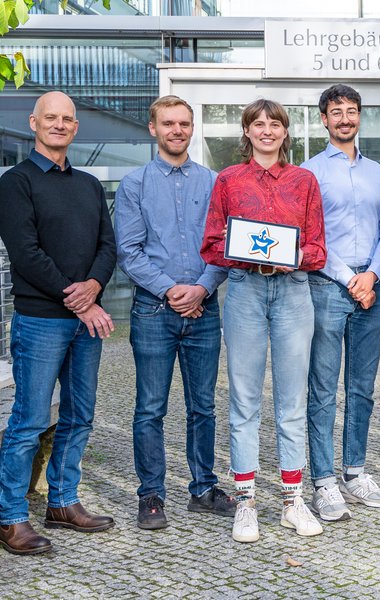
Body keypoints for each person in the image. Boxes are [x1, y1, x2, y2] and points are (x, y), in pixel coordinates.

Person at [200, 99, 327, 543]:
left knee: (292, 401)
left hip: (293, 293)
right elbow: (212, 244)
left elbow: (317, 250)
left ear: (285, 132)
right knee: (244, 400)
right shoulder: (228, 180)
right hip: (245, 290)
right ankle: (246, 502)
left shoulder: (304, 181)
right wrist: (249, 251)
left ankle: (293, 501)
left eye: (275, 124)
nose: (267, 130)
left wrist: (288, 255)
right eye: (259, 124)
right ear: (247, 131)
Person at [0, 91, 117, 554]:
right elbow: (26, 254)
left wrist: (94, 286)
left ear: (75, 127)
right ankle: (9, 517)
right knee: (28, 420)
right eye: (51, 117)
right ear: (34, 123)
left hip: (83, 324)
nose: (60, 124)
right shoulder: (16, 182)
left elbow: (108, 246)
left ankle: (63, 501)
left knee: (79, 416)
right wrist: (82, 301)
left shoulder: (88, 185)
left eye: (67, 119)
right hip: (41, 320)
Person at [116, 95, 235, 530]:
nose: (177, 130)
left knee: (202, 405)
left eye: (184, 123)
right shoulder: (135, 184)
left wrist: (202, 287)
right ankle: (151, 495)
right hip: (153, 310)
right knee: (150, 407)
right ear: (153, 129)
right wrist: (171, 291)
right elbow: (128, 252)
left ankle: (203, 488)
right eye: (168, 123)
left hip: (204, 309)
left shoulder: (215, 182)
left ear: (192, 128)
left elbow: (226, 246)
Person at [302, 84, 380, 522]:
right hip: (326, 287)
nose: (345, 118)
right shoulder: (309, 173)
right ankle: (323, 481)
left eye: (352, 111)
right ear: (324, 119)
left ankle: (355, 472)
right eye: (336, 111)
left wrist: (371, 277)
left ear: (360, 117)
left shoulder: (378, 172)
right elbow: (311, 238)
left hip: (370, 290)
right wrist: (349, 278)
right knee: (322, 390)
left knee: (362, 389)